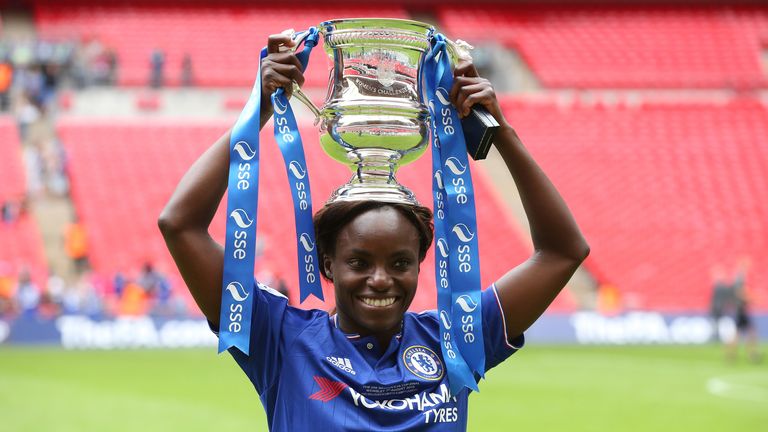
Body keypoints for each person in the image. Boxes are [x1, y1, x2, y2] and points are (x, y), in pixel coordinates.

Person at [159, 32, 589, 431]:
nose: (380, 279)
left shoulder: (458, 337)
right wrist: (260, 110)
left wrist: (501, 134)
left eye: (400, 262)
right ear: (328, 263)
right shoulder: (281, 338)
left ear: (421, 263)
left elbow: (563, 252)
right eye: (359, 262)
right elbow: (179, 225)